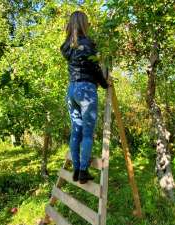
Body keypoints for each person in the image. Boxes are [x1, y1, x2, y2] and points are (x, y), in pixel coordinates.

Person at [60, 11, 109, 184]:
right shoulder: (87, 44)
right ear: (83, 24)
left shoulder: (68, 46)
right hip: (86, 90)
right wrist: (104, 83)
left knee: (76, 132)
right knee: (87, 134)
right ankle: (82, 172)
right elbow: (95, 68)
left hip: (72, 90)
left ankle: (75, 170)